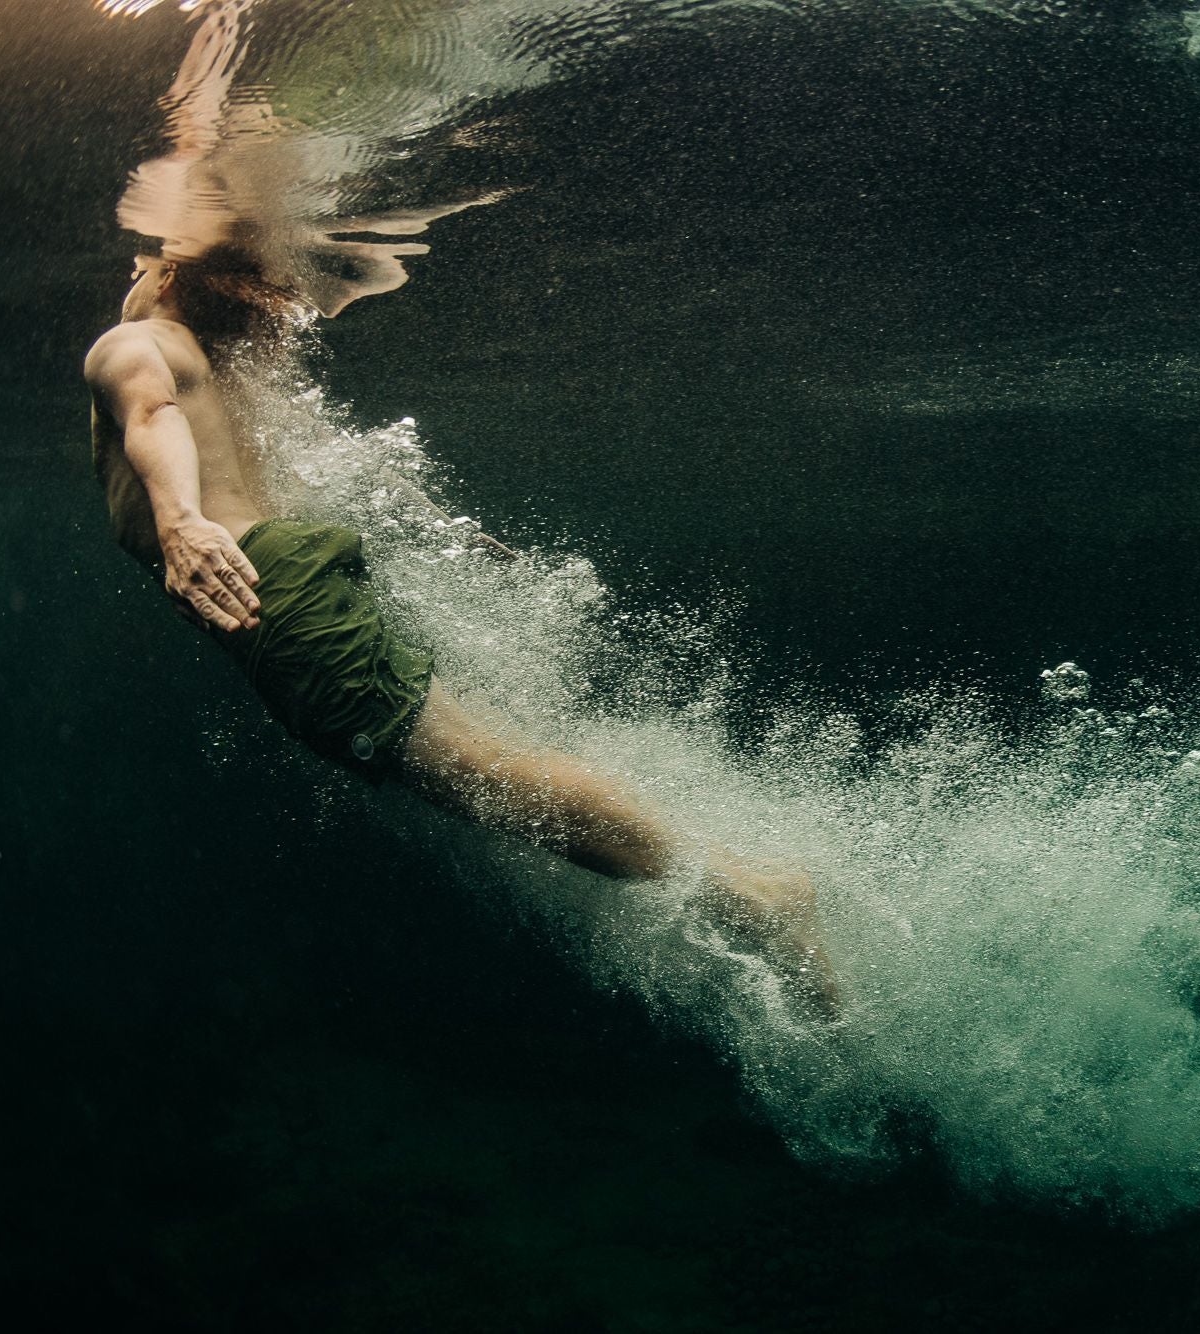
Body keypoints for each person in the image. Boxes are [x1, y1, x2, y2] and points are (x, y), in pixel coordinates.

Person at [85, 250, 834, 1009]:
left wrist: (181, 523)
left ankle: (751, 897)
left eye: (139, 266)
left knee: (489, 778)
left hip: (266, 592)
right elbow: (327, 457)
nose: (130, 279)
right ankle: (746, 887)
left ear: (172, 271)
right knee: (488, 770)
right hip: (278, 582)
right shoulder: (217, 366)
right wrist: (442, 524)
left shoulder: (130, 346)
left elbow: (153, 416)